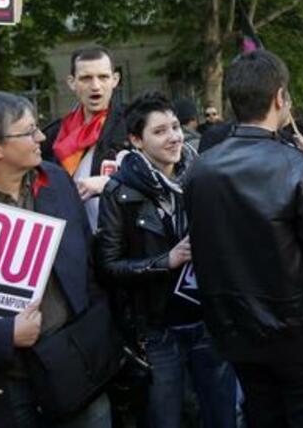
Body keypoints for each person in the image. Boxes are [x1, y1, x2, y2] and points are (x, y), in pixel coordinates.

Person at [0, 91, 117, 427]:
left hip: (79, 365)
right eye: (28, 132)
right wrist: (3, 335)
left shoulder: (55, 180)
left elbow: (89, 265)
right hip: (9, 386)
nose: (41, 137)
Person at [185, 49, 303, 428]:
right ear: (280, 98)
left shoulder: (200, 170)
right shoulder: (297, 167)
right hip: (301, 335)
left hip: (238, 334)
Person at [95, 92, 236, 428]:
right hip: (157, 331)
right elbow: (108, 266)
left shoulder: (202, 175)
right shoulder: (120, 191)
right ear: (136, 140)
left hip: (209, 321)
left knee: (222, 416)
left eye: (174, 126)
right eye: (159, 131)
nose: (174, 136)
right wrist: (165, 260)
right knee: (165, 419)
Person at [42, 47, 128, 232]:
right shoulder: (53, 134)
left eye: (103, 77)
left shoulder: (134, 125)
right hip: (71, 236)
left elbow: (160, 176)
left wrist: (110, 182)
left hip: (121, 240)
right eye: (86, 78)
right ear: (72, 83)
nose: (95, 86)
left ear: (115, 80)